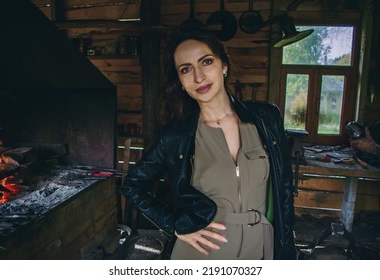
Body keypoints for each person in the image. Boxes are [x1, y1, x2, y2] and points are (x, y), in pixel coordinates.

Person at [121, 28, 297, 260]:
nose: (198, 77)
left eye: (206, 62)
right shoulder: (176, 137)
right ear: (181, 82)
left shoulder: (266, 119)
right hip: (201, 254)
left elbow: (283, 191)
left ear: (224, 66)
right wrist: (174, 224)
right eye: (186, 69)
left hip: (260, 249)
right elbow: (132, 185)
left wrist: (287, 251)